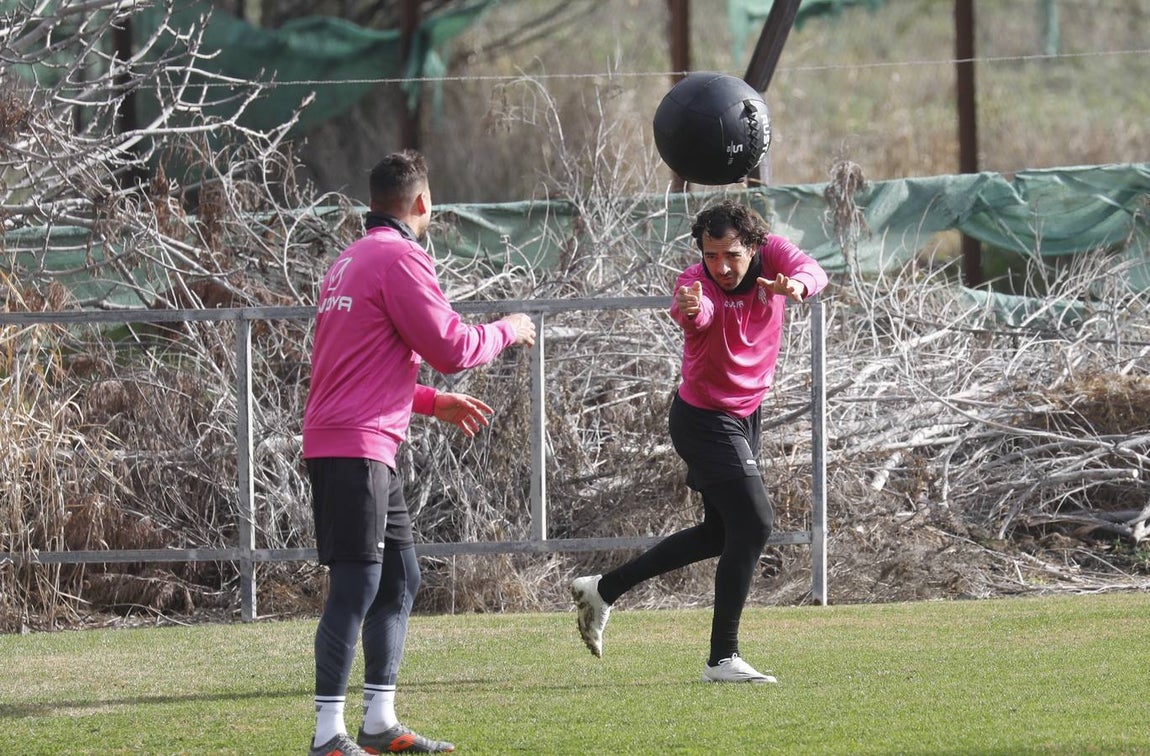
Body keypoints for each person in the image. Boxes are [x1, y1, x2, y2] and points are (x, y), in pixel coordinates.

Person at [303, 149, 536, 755]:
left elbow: (359, 367)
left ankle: (379, 722)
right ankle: (327, 735)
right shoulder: (400, 257)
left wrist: (432, 403)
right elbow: (453, 347)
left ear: (371, 202)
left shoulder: (348, 260)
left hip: (359, 441)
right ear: (423, 202)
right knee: (356, 585)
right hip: (356, 445)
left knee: (400, 577)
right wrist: (509, 328)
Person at [570, 199, 827, 683]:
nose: (721, 267)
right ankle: (722, 658)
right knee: (755, 521)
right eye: (711, 256)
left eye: (731, 255)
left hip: (745, 416)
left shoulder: (773, 254)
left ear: (753, 246)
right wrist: (694, 307)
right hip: (704, 419)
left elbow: (813, 270)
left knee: (720, 534)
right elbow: (697, 313)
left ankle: (603, 589)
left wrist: (798, 285)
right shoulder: (694, 283)